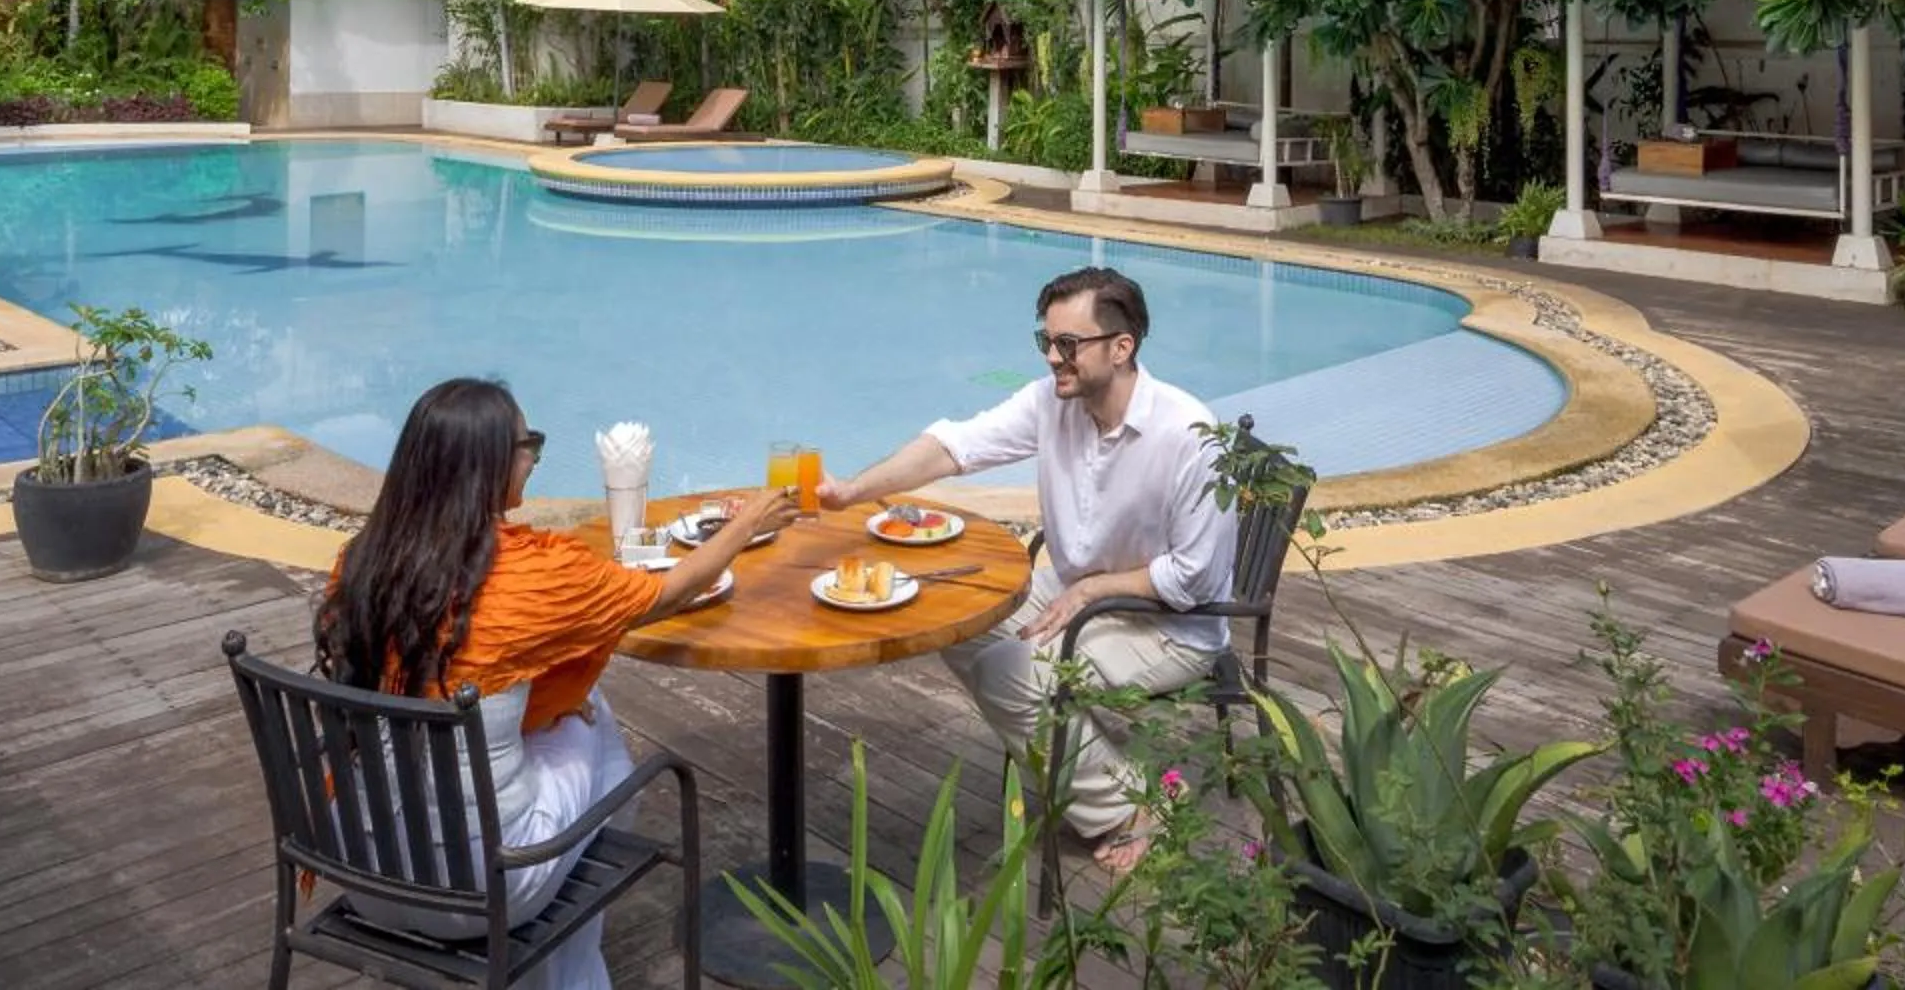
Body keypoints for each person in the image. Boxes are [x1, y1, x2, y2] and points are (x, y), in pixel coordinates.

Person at [315, 377, 794, 990]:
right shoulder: (534, 576)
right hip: (483, 891)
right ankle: (569, 975)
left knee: (556, 712)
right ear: (489, 463)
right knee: (599, 727)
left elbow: (455, 667)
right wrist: (747, 523)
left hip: (360, 865)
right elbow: (666, 594)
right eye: (528, 442)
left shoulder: (361, 562)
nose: (536, 458)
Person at [817, 265, 1236, 874]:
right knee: (953, 620)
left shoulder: (1190, 435)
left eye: (1069, 344)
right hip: (1073, 588)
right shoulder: (1053, 403)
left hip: (1169, 623)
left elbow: (1194, 577)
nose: (1053, 359)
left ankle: (1134, 806)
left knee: (1012, 674)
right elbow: (955, 446)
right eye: (1047, 341)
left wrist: (1096, 588)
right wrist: (853, 490)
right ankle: (1090, 760)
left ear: (1122, 348)